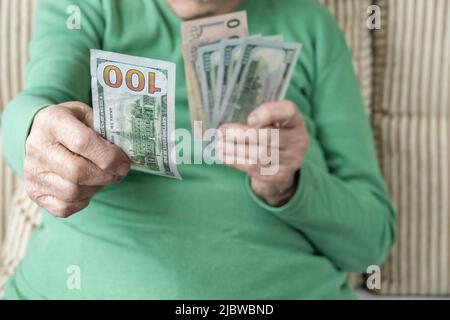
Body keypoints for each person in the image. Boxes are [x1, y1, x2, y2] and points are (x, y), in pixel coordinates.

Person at [1, 0, 396, 299]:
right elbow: (37, 104)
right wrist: (34, 133)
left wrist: (288, 185)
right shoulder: (88, 6)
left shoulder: (311, 24)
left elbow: (368, 244)